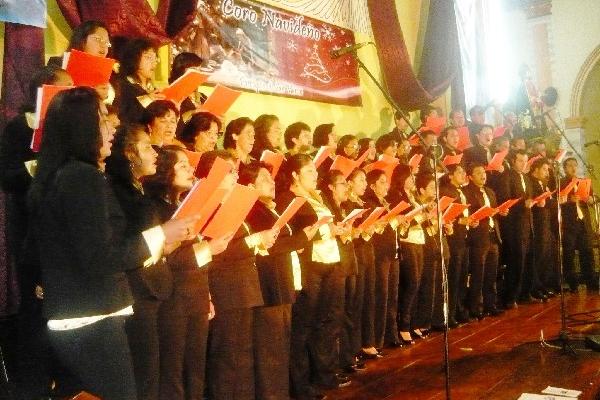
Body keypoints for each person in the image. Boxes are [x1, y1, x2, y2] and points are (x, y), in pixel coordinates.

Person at [28, 87, 195, 399]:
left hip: (76, 316)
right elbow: (101, 256)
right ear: (83, 127)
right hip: (92, 317)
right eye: (103, 119)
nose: (112, 127)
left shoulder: (59, 175)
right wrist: (161, 234)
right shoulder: (82, 177)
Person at [0, 64, 73, 398]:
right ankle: (36, 383)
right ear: (46, 91)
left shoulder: (68, 131)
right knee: (36, 305)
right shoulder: (18, 127)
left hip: (63, 227)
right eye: (64, 89)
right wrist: (38, 170)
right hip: (31, 228)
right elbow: (7, 175)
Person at [143, 146, 229, 400]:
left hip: (197, 291)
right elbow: (166, 257)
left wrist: (208, 293)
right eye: (182, 166)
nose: (190, 170)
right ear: (165, 171)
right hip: (173, 296)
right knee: (174, 367)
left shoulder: (187, 204)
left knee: (196, 366)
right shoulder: (154, 207)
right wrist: (208, 249)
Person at [200, 150, 278, 400]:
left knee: (242, 356)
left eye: (234, 170)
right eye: (228, 171)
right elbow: (216, 253)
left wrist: (257, 242)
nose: (234, 176)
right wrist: (254, 240)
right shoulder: (207, 206)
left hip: (244, 286)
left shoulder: (232, 203)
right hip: (226, 289)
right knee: (226, 359)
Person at [105, 123, 170, 400]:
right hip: (134, 291)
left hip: (151, 287)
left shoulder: (138, 190)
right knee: (142, 375)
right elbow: (128, 241)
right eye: (146, 147)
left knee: (152, 372)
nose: (155, 153)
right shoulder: (118, 192)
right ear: (129, 154)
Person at [243, 161, 317, 400]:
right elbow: (270, 246)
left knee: (281, 347)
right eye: (264, 179)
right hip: (269, 286)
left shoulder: (268, 207)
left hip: (282, 283)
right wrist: (301, 238)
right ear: (249, 185)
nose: (272, 182)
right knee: (270, 351)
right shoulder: (252, 210)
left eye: (271, 178)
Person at [276, 154, 347, 399]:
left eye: (315, 171)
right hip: (310, 266)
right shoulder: (289, 199)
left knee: (327, 320)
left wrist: (334, 229)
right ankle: (301, 385)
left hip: (330, 261)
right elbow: (294, 233)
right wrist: (317, 232)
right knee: (303, 326)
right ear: (295, 175)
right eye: (308, 172)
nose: (315, 175)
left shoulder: (317, 196)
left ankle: (324, 374)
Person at [343, 169, 379, 359]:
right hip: (355, 255)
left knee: (367, 299)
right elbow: (349, 234)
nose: (365, 183)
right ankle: (354, 347)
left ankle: (366, 341)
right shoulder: (348, 205)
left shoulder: (363, 204)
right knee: (354, 303)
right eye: (361, 180)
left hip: (367, 254)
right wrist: (360, 231)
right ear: (349, 183)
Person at [363, 169, 401, 349]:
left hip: (392, 251)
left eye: (387, 182)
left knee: (392, 295)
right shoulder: (370, 204)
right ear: (372, 186)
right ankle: (377, 339)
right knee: (380, 295)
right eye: (382, 182)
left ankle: (390, 333)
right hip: (379, 254)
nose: (387, 186)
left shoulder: (386, 202)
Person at [464, 163, 506, 318]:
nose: (483, 175)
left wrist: (499, 212)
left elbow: (493, 211)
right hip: (478, 237)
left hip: (492, 235)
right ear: (470, 176)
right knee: (478, 274)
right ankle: (476, 308)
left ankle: (491, 304)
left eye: (484, 172)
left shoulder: (490, 192)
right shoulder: (467, 192)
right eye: (479, 172)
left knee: (491, 273)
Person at [497, 150, 536, 308]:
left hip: (527, 224)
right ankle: (510, 297)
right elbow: (505, 199)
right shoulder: (506, 176)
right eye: (520, 161)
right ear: (513, 161)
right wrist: (523, 203)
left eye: (525, 161)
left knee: (527, 260)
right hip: (514, 226)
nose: (523, 164)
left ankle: (525, 293)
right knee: (516, 262)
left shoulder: (526, 177)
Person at [440, 164, 477, 325]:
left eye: (464, 172)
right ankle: (450, 314)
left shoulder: (462, 191)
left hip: (464, 237)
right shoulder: (446, 191)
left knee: (462, 277)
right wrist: (461, 220)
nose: (463, 175)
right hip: (453, 239)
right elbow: (445, 215)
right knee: (454, 277)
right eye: (460, 172)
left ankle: (460, 310)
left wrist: (470, 221)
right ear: (450, 175)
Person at [560, 157, 598, 292]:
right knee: (569, 254)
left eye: (575, 165)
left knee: (587, 251)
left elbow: (594, 199)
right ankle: (572, 283)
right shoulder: (561, 182)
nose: (573, 168)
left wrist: (590, 199)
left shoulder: (583, 181)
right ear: (564, 168)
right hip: (569, 223)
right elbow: (558, 201)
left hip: (583, 221)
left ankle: (591, 281)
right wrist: (569, 199)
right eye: (569, 166)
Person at [114, 38, 164, 124]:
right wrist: (148, 99)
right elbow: (125, 117)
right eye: (148, 57)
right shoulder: (122, 86)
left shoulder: (153, 89)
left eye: (155, 58)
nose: (154, 63)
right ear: (133, 58)